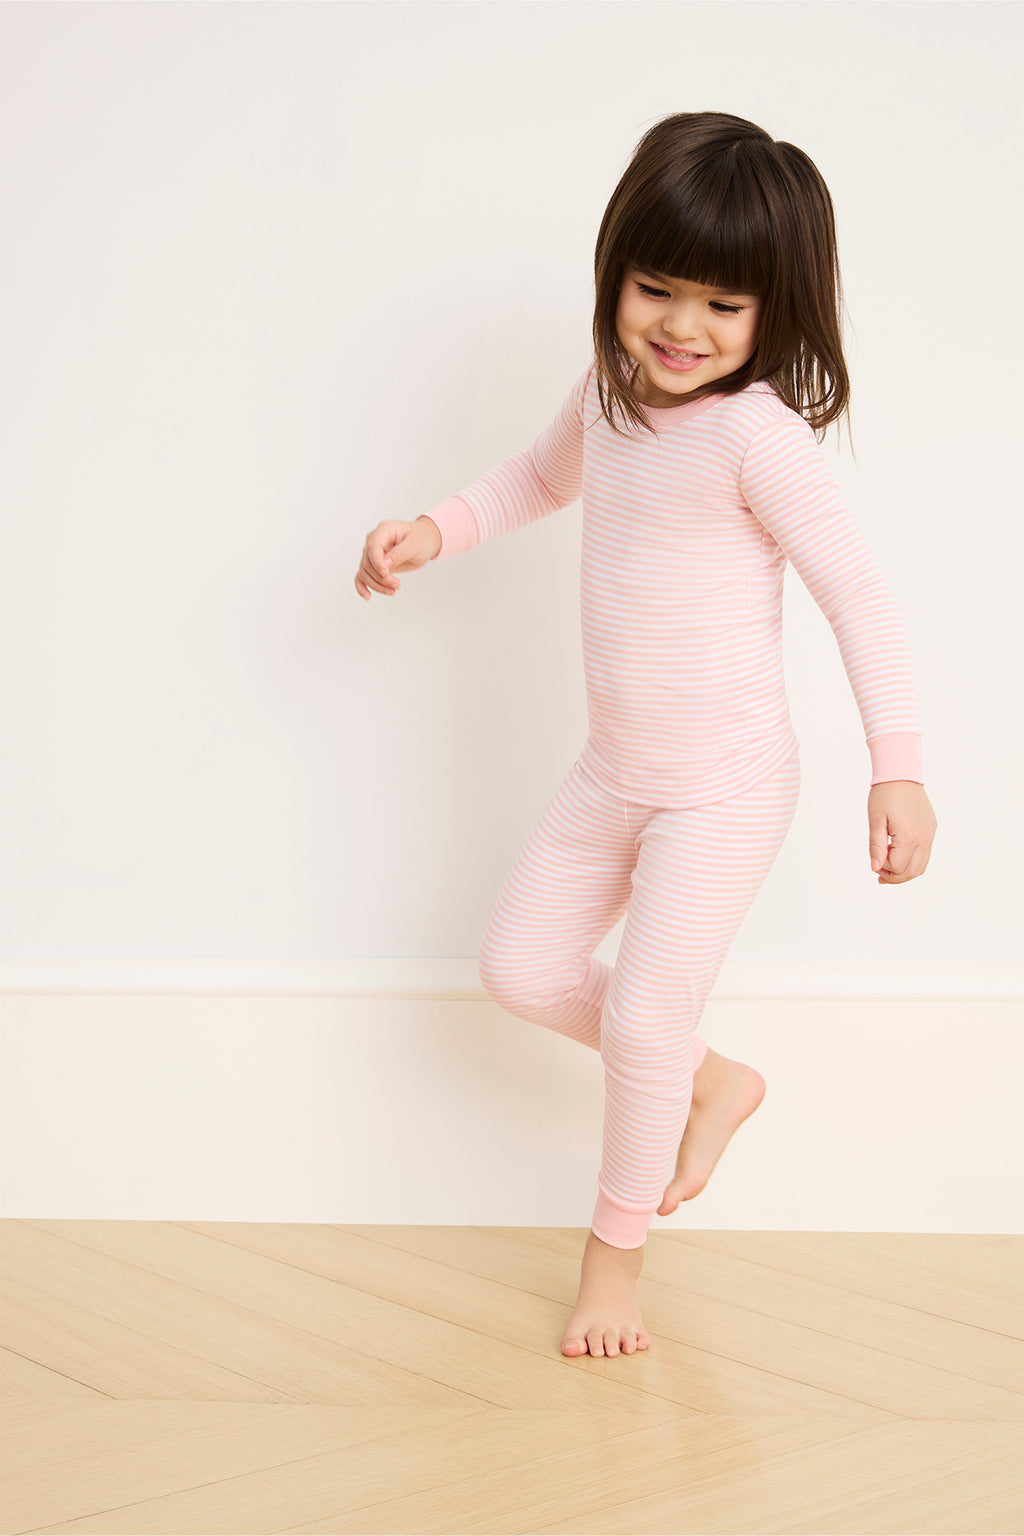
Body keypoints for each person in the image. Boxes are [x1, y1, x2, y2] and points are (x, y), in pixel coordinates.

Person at [354, 111, 938, 1360]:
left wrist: (900, 769)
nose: (679, 328)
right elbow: (534, 479)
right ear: (615, 271)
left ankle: (612, 1261)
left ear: (778, 312)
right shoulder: (610, 398)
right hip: (613, 771)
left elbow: (861, 602)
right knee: (517, 967)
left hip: (724, 791)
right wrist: (432, 529)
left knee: (640, 1024)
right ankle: (714, 1080)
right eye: (654, 288)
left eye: (723, 306)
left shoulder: (756, 439)